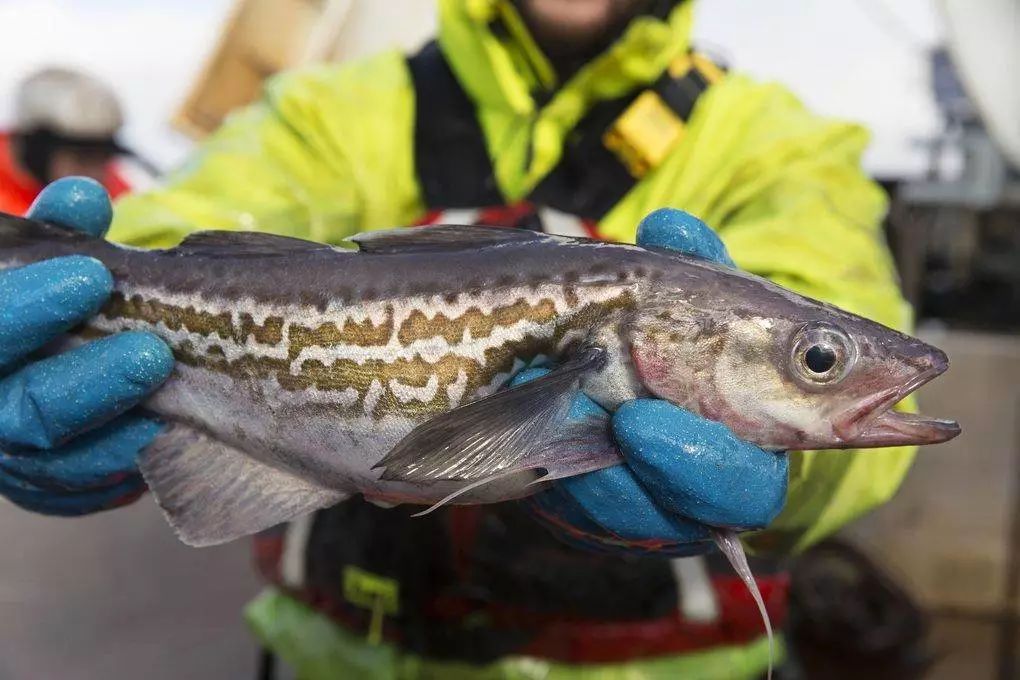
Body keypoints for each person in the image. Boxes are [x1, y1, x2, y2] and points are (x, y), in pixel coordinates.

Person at [0, 1, 919, 677]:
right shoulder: (338, 112)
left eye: (815, 359)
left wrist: (799, 474)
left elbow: (856, 345)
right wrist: (48, 321)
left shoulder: (774, 143)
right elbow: (191, 221)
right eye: (818, 359)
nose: (821, 368)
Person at [0, 67, 134, 214]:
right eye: (83, 158)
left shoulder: (114, 195)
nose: (96, 174)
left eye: (103, 158)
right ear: (37, 151)